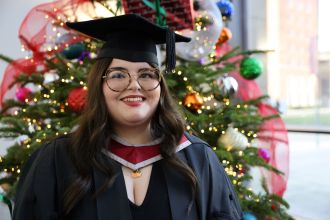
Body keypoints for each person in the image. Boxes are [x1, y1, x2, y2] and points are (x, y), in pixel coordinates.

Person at [13, 14, 243, 220]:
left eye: (146, 74)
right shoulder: (58, 159)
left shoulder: (198, 159)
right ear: (99, 85)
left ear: (160, 87)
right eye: (118, 75)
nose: (134, 85)